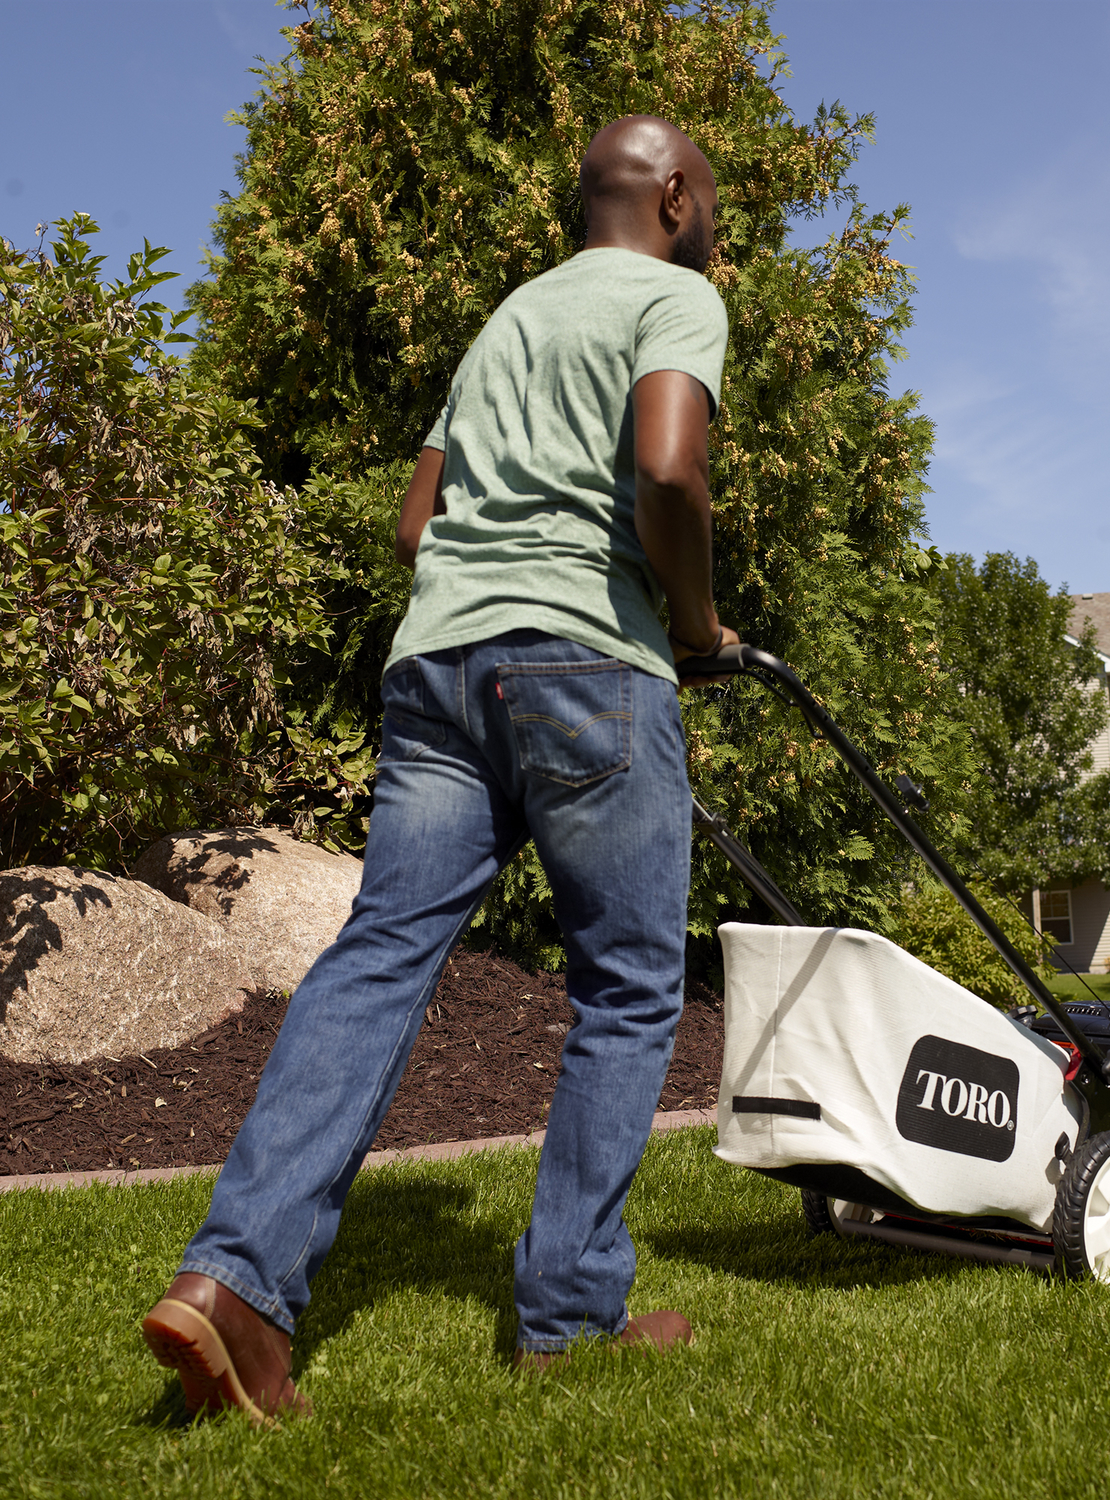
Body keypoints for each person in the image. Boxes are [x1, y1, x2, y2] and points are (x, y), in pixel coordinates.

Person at [139, 114, 739, 1419]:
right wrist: (692, 629)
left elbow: (419, 520)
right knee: (631, 992)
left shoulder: (508, 322)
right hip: (589, 660)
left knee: (378, 956)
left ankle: (233, 1281)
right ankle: (571, 1319)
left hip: (437, 666)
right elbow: (669, 469)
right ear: (678, 198)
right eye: (719, 209)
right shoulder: (676, 297)